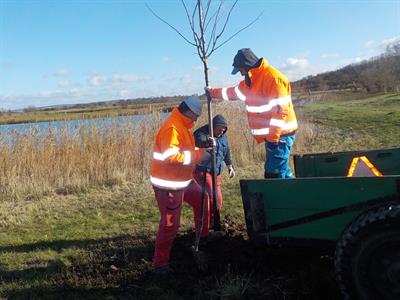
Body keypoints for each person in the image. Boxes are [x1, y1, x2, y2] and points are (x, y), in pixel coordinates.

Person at [206, 48, 298, 178]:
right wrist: (212, 92)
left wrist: (273, 139)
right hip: (274, 137)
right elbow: (232, 93)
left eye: (240, 70)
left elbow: (280, 112)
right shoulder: (251, 82)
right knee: (280, 172)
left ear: (246, 66)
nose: (240, 74)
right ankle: (294, 195)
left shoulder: (273, 78)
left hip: (281, 136)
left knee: (274, 175)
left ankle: (288, 196)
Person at [150, 95, 209, 276]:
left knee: (202, 198)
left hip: (183, 180)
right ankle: (160, 264)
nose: (196, 120)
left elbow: (184, 150)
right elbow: (171, 157)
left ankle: (203, 237)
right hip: (169, 185)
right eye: (196, 117)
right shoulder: (172, 128)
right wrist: (200, 156)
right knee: (170, 225)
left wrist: (202, 146)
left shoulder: (182, 125)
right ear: (189, 112)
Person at [193, 114, 235, 239]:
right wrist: (207, 143)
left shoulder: (223, 137)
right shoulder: (201, 133)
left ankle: (214, 222)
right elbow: (198, 141)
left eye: (224, 128)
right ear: (212, 127)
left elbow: (227, 151)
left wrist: (230, 166)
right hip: (203, 171)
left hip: (216, 171)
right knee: (210, 196)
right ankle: (205, 228)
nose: (221, 130)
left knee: (218, 199)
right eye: (219, 128)